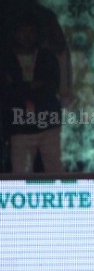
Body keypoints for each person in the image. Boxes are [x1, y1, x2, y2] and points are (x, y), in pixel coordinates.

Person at [1, 11, 63, 172]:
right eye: (23, 31)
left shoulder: (47, 57)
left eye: (31, 31)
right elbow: (6, 93)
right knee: (20, 175)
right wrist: (31, 87)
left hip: (48, 125)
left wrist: (20, 87)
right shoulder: (6, 59)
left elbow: (51, 87)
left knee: (55, 171)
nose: (27, 36)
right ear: (15, 33)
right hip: (19, 128)